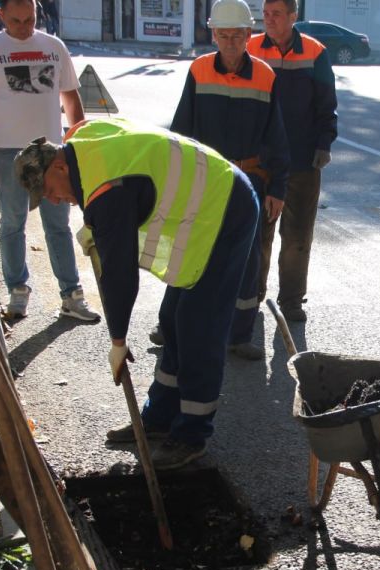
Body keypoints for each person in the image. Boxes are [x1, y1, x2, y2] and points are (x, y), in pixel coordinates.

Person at [14, 118, 260, 470]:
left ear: (59, 165)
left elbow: (120, 275)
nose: (52, 200)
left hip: (226, 208)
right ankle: (159, 418)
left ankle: (192, 434)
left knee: (197, 326)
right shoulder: (80, 146)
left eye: (48, 189)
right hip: (202, 209)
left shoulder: (105, 188)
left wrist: (118, 340)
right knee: (173, 319)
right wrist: (94, 229)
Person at [165, 0, 289, 360]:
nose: (231, 42)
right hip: (205, 179)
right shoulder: (200, 70)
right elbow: (181, 132)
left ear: (249, 35)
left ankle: (239, 335)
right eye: (223, 35)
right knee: (188, 252)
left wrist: (277, 188)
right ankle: (170, 324)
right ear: (213, 34)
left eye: (237, 35)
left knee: (246, 260)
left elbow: (277, 138)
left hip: (249, 183)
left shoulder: (266, 75)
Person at [0, 0, 99, 322]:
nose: (24, 27)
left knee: (59, 226)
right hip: (9, 154)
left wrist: (77, 146)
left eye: (30, 19)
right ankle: (17, 291)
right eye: (16, 21)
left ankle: (71, 295)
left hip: (52, 154)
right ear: (1, 15)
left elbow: (71, 99)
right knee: (13, 225)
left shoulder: (54, 47)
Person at [248, 0, 337, 323]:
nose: (268, 20)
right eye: (266, 14)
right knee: (258, 233)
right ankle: (251, 296)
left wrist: (324, 143)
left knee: (298, 236)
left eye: (276, 14)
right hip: (261, 160)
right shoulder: (251, 47)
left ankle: (291, 301)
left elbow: (327, 104)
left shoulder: (314, 52)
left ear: (293, 17)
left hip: (302, 159)